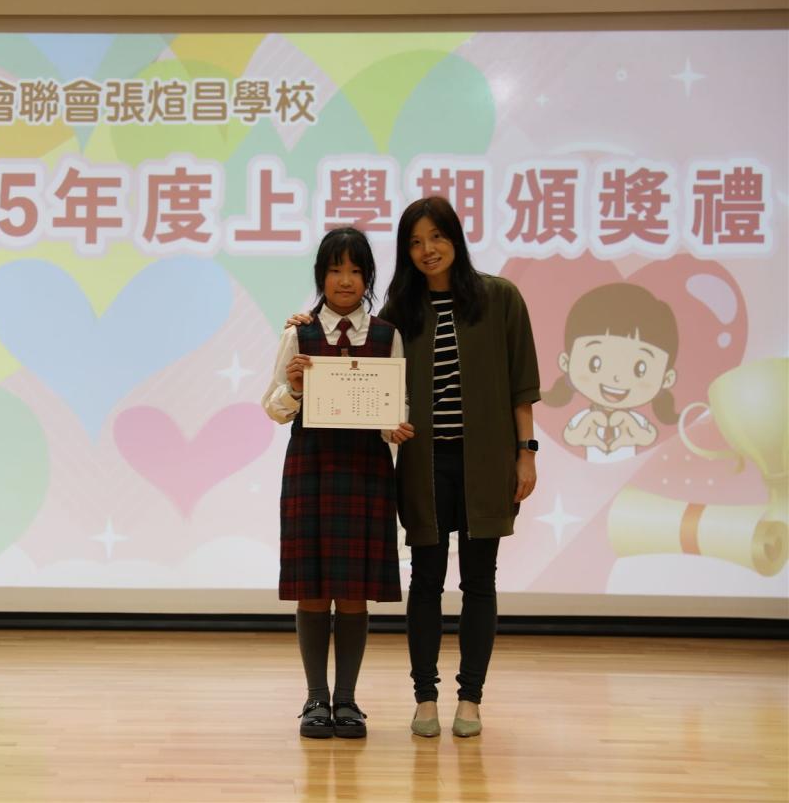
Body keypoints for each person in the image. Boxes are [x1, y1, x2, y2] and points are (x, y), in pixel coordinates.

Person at [286, 196, 540, 738]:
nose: (428, 250)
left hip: (487, 462)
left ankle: (470, 699)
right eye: (416, 242)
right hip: (424, 463)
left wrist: (527, 452)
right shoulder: (400, 312)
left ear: (456, 239)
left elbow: (522, 386)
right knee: (425, 581)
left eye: (437, 237)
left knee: (480, 582)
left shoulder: (500, 297)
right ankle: (425, 697)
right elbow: (369, 378)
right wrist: (304, 324)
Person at [262, 226, 415, 739]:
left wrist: (395, 426)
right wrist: (296, 388)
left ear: (368, 277)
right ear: (320, 276)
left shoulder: (387, 335)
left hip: (366, 470)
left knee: (354, 593)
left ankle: (346, 700)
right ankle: (314, 699)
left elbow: (397, 405)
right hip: (310, 466)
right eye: (334, 270)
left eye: (355, 270)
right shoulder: (298, 334)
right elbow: (274, 408)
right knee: (311, 590)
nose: (345, 280)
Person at [542, 282, 680, 463]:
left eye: (640, 369)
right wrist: (589, 432)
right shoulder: (585, 419)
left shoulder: (636, 421)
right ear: (566, 363)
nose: (617, 378)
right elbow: (571, 436)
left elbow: (648, 436)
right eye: (595, 363)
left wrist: (630, 431)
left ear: (667, 378)